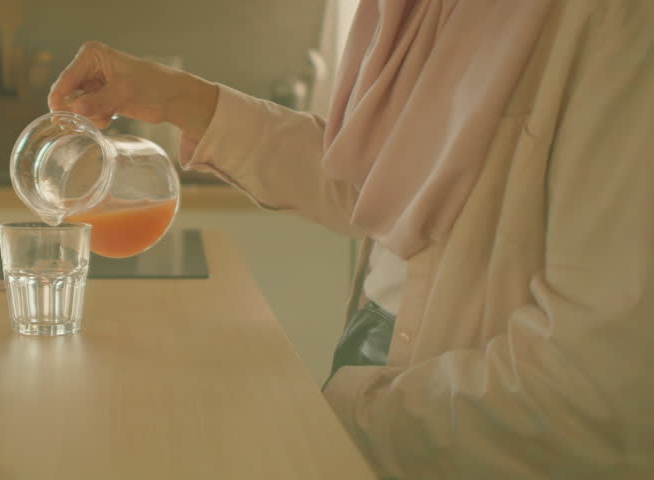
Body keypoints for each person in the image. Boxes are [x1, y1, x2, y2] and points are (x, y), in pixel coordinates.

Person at [47, 1, 653, 478]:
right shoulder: (424, 15)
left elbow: (587, 386)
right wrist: (179, 97)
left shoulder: (613, 23)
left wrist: (330, 418)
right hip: (377, 377)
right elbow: (376, 184)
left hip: (457, 419)